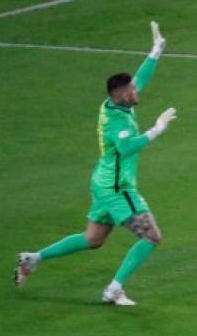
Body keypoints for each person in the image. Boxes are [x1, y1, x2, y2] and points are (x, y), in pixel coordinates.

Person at [14, 22, 177, 307]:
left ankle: (34, 258)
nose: (138, 91)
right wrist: (157, 128)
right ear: (124, 94)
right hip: (117, 187)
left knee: (93, 238)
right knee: (151, 237)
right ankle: (113, 290)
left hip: (102, 181)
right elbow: (126, 148)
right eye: (133, 90)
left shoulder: (114, 104)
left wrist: (155, 51)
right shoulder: (117, 119)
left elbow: (140, 79)